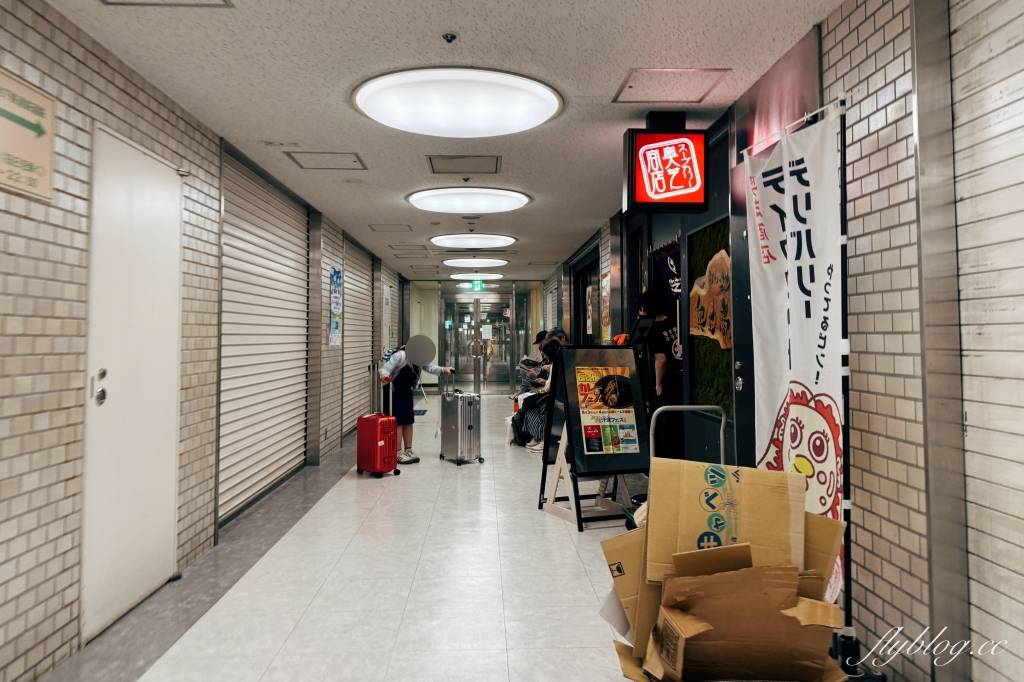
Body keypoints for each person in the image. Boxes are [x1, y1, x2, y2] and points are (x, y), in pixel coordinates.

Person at [379, 346, 454, 464]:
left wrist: (443, 369)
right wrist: (384, 375)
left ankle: (408, 450)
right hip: (393, 391)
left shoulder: (420, 358)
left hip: (406, 391)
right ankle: (397, 452)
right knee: (398, 422)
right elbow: (385, 369)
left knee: (408, 421)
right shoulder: (400, 356)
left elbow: (430, 367)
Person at [636, 292, 684, 456]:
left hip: (669, 383)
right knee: (678, 422)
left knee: (664, 425)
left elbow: (661, 360)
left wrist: (658, 383)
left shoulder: (653, 329)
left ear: (643, 310)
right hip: (682, 378)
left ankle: (667, 462)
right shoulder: (675, 320)